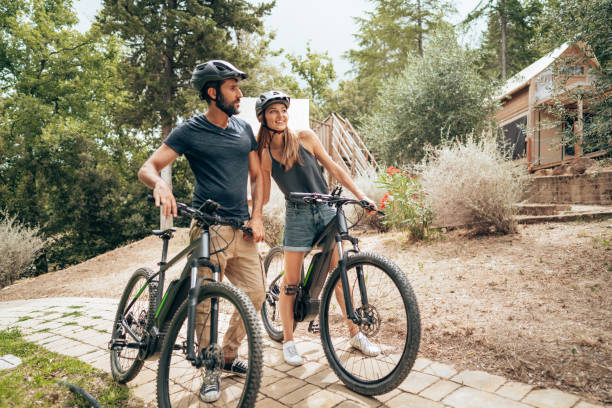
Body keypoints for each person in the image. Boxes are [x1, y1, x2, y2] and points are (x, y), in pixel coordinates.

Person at [138, 60, 265, 402]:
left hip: (243, 229)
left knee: (255, 294)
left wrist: (258, 217)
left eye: (238, 87)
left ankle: (227, 354)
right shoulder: (189, 131)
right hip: (208, 227)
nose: (239, 94)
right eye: (232, 88)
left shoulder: (243, 130)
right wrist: (160, 187)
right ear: (213, 92)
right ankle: (209, 367)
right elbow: (148, 167)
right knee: (206, 301)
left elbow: (257, 177)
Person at [256, 90, 381, 366]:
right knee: (291, 284)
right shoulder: (265, 154)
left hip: (326, 211)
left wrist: (360, 194)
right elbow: (263, 194)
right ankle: (289, 341)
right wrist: (252, 214)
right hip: (297, 215)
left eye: (283, 110)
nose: (280, 115)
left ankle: (354, 334)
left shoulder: (305, 137)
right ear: (263, 118)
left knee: (339, 276)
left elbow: (334, 167)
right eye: (273, 111)